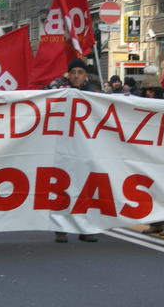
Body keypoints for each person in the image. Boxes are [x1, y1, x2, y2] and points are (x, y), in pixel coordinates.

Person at [53, 58, 99, 243]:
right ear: (68, 75)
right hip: (63, 147)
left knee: (85, 188)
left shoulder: (95, 94)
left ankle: (86, 228)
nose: (77, 76)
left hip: (86, 148)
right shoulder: (59, 92)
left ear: (85, 74)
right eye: (73, 72)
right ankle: (60, 227)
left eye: (80, 72)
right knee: (61, 186)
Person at [139, 73, 164, 236]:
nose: (149, 93)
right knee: (151, 190)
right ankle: (155, 223)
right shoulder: (141, 105)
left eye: (152, 90)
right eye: (146, 90)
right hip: (149, 153)